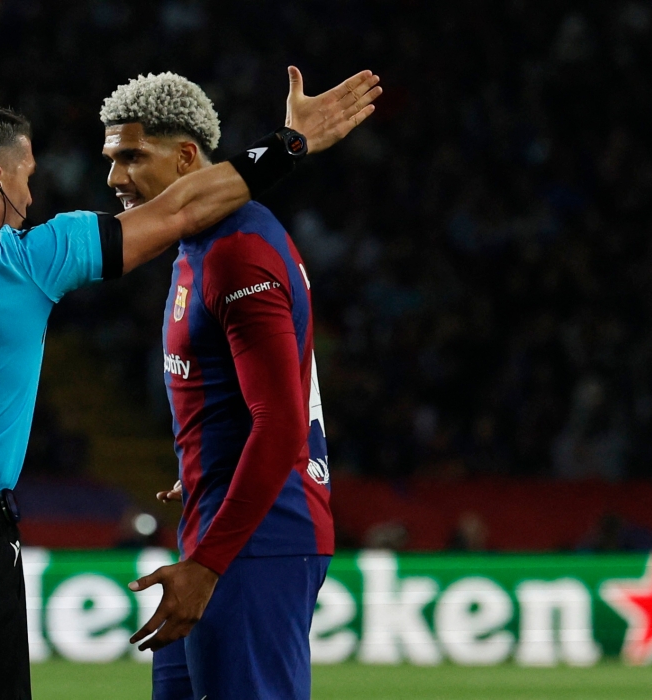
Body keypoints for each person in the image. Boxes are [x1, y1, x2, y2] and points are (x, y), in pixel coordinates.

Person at [0, 66, 378, 700]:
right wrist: (288, 143)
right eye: (29, 178)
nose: (33, 198)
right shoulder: (26, 259)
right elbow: (185, 205)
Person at [101, 69, 381, 700]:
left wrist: (207, 564)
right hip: (221, 528)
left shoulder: (237, 251)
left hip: (255, 544)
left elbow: (281, 424)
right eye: (111, 159)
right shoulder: (193, 248)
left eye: (130, 156)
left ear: (186, 157)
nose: (115, 178)